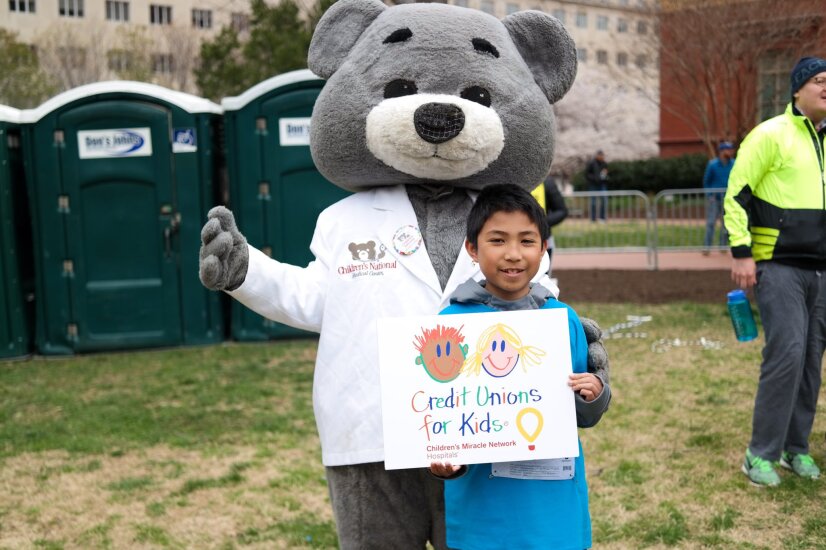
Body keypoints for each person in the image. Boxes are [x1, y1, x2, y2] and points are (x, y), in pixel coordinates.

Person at [430, 184, 611, 549]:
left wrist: (595, 393)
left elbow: (580, 411)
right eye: (497, 240)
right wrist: (447, 461)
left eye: (527, 241)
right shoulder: (449, 324)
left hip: (552, 504)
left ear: (543, 248)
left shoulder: (563, 319)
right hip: (483, 507)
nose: (513, 254)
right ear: (472, 248)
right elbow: (447, 414)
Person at [724, 56, 826, 487]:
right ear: (798, 89)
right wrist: (742, 253)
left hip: (821, 271)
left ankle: (794, 449)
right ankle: (759, 455)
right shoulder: (770, 135)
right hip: (778, 265)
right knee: (786, 355)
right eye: (820, 80)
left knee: (810, 361)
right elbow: (735, 196)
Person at [702, 141, 735, 255]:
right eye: (727, 149)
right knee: (711, 223)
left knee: (725, 224)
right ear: (721, 151)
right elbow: (706, 181)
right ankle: (706, 247)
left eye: (731, 149)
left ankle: (723, 246)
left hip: (728, 199)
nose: (730, 152)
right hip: (715, 199)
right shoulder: (712, 165)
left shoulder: (734, 164)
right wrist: (709, 195)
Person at [544, 174, 569, 275]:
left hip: (544, 239)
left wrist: (540, 222)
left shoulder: (547, 182)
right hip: (510, 242)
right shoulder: (509, 180)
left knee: (542, 281)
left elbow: (562, 211)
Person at [584, 150, 609, 223]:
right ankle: (593, 219)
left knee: (604, 200)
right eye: (600, 155)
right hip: (593, 185)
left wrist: (605, 177)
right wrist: (594, 178)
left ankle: (602, 218)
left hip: (602, 184)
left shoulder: (604, 163)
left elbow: (606, 172)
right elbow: (587, 174)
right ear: (597, 155)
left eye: (602, 155)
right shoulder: (591, 163)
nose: (601, 157)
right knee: (593, 202)